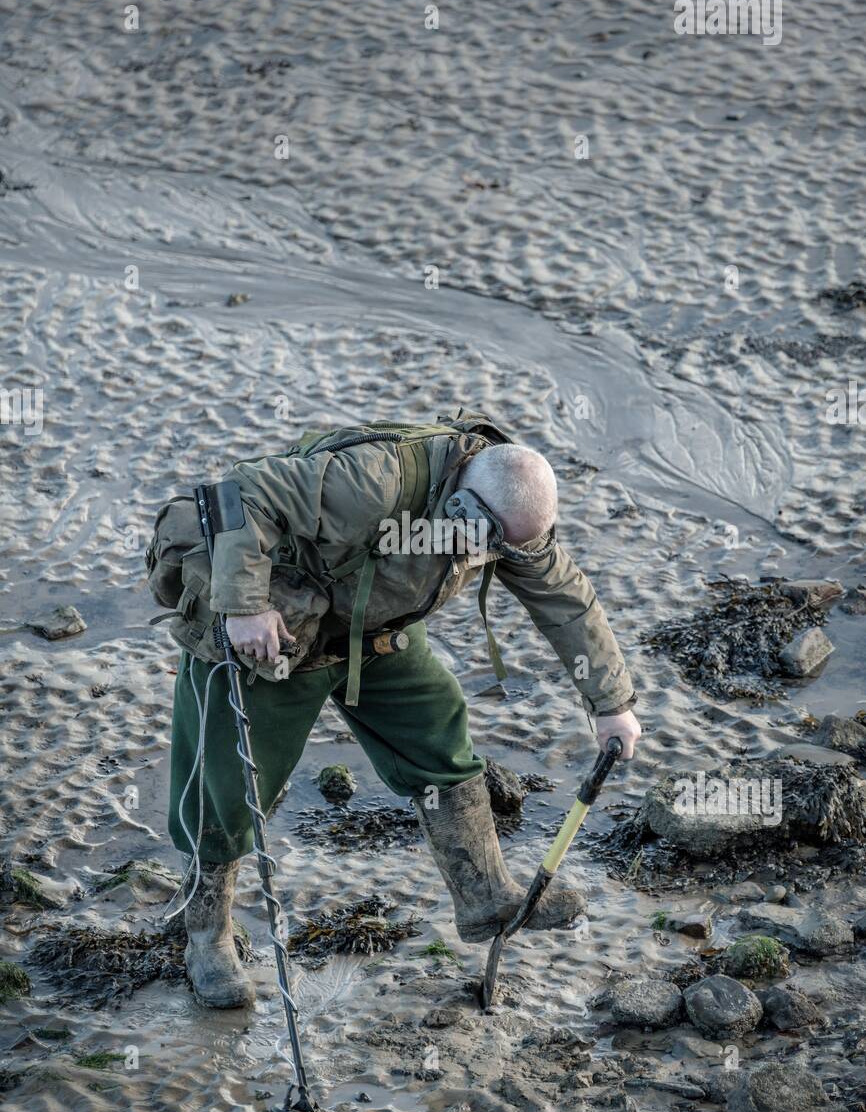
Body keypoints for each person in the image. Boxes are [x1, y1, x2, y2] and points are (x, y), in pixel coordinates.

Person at [168, 421, 640, 1007]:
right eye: (490, 541)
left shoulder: (507, 521)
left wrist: (610, 703)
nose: (497, 557)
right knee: (228, 788)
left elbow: (564, 597)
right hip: (277, 631)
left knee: (439, 737)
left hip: (375, 630)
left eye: (509, 547)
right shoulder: (371, 481)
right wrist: (245, 605)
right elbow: (239, 494)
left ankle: (486, 894)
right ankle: (206, 937)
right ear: (464, 501)